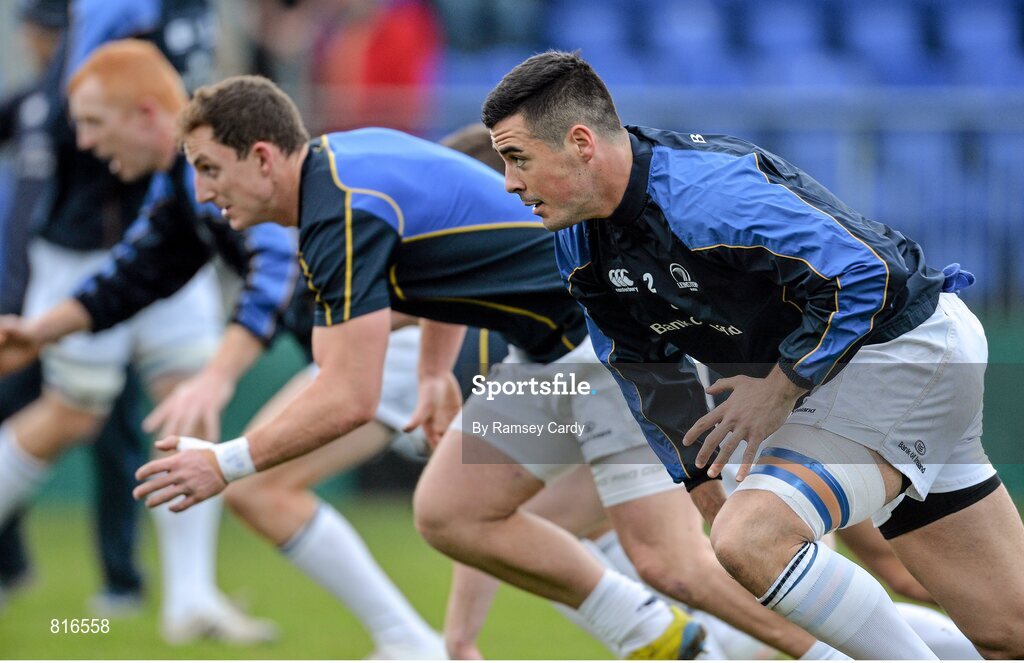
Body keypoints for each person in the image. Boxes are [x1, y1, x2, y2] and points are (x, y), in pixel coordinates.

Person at [131, 74, 711, 660]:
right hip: (566, 356)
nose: (203, 192)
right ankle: (667, 636)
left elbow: (347, 394)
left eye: (208, 169)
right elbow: (431, 284)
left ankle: (768, 643)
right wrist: (434, 373)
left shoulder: (345, 203)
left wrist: (224, 459)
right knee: (488, 519)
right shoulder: (344, 176)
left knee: (674, 564)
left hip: (604, 353)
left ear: (261, 156)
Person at [481, 50, 1024, 659]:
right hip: (858, 375)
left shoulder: (708, 191)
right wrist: (694, 474)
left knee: (754, 537)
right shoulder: (579, 238)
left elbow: (869, 274)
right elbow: (640, 363)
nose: (509, 182)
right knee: (1009, 630)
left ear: (580, 142)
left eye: (516, 157)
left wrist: (781, 383)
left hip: (900, 351)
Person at [0, 27, 279, 642]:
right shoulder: (180, 188)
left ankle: (191, 597)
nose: (84, 141)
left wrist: (219, 374)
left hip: (438, 341)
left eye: (95, 123)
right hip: (78, 257)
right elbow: (147, 268)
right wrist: (42, 326)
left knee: (248, 464)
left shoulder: (203, 177)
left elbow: (278, 272)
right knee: (84, 415)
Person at [0, 0, 150, 615]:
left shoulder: (101, 108)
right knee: (42, 419)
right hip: (28, 300)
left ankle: (123, 584)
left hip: (100, 293)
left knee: (109, 434)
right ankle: (11, 569)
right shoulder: (33, 106)